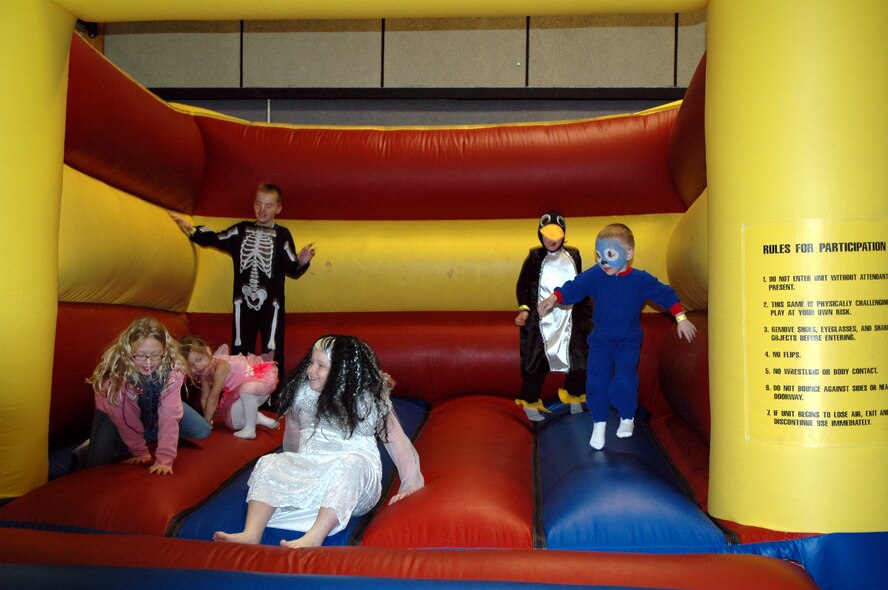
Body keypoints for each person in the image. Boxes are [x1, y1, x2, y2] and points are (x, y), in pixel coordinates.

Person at [213, 335, 424, 548]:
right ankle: (252, 532)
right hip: (313, 469)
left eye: (320, 365)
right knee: (270, 462)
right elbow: (293, 435)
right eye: (311, 362)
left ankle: (315, 535)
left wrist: (410, 481)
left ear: (342, 372)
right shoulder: (303, 396)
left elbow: (396, 440)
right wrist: (291, 471)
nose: (311, 370)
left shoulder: (366, 399)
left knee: (352, 464)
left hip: (356, 480)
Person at [538, 223, 697, 450]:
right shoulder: (595, 275)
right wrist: (554, 298)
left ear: (628, 254)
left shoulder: (640, 280)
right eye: (599, 255)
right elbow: (575, 287)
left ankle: (626, 416)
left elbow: (665, 294)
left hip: (628, 341)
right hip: (601, 341)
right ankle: (599, 422)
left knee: (624, 378)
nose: (603, 261)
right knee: (597, 380)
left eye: (610, 255)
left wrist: (681, 318)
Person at [170, 183, 315, 391]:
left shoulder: (282, 235)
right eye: (258, 204)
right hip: (242, 301)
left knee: (273, 349)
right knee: (240, 349)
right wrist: (192, 230)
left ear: (278, 208)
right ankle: (237, 391)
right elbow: (216, 238)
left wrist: (302, 262)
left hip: (271, 305)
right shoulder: (241, 230)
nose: (262, 209)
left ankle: (273, 396)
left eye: (268, 205)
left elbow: (292, 268)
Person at [84, 317, 212, 474]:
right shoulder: (115, 378)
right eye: (140, 355)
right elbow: (127, 420)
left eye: (156, 355)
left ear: (165, 351)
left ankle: (135, 439)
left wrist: (165, 459)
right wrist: (141, 453)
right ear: (128, 350)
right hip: (114, 412)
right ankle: (91, 447)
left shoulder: (173, 370)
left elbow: (170, 415)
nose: (148, 363)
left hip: (155, 402)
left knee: (202, 430)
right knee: (96, 465)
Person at [514, 211, 591, 421]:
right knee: (537, 361)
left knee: (578, 358)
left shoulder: (573, 255)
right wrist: (524, 309)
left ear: (563, 235)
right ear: (540, 234)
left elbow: (579, 284)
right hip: (541, 318)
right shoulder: (534, 257)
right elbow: (522, 286)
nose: (552, 239)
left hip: (570, 317)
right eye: (547, 234)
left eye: (557, 234)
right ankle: (530, 402)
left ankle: (575, 397)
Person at [179, 336, 279, 439]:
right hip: (240, 392)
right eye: (191, 366)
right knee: (232, 423)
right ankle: (257, 418)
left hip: (260, 383)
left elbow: (213, 397)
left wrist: (206, 423)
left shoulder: (221, 366)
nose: (198, 367)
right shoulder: (204, 372)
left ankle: (250, 430)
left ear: (208, 352)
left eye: (199, 360)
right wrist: (207, 421)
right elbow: (205, 397)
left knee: (246, 390)